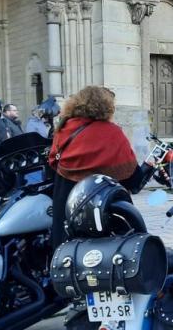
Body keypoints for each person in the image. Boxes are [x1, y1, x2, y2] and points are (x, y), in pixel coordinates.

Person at [48, 86, 155, 249]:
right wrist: (148, 166)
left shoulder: (64, 129)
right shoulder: (112, 133)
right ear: (106, 107)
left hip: (66, 216)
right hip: (104, 221)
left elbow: (53, 165)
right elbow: (133, 182)